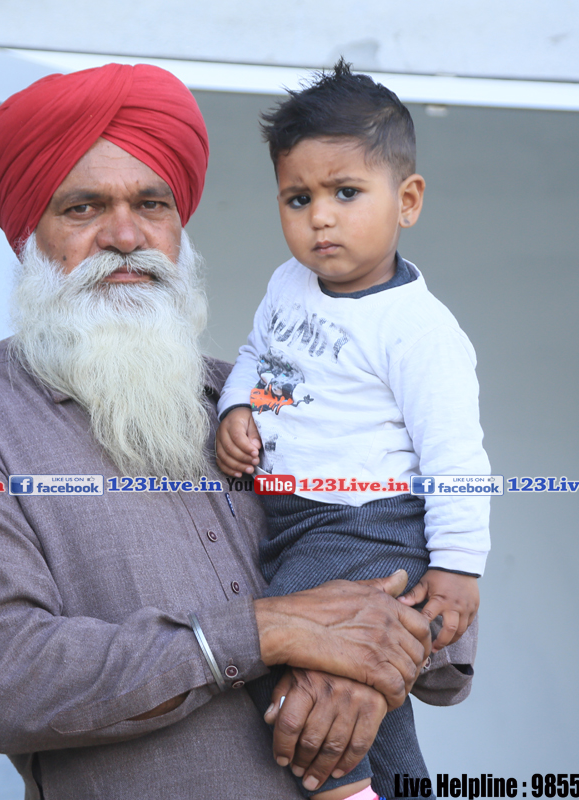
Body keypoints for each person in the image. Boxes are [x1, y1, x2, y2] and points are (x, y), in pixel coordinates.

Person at [0, 62, 471, 800]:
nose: (126, 235)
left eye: (152, 204)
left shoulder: (252, 398)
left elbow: (414, 557)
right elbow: (9, 682)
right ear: (28, 235)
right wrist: (267, 632)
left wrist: (361, 664)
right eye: (83, 208)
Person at [215, 60, 490, 800]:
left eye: (345, 192)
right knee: (370, 682)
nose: (320, 217)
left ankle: (346, 792)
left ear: (407, 201)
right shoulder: (287, 284)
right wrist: (237, 407)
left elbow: (456, 456)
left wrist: (459, 566)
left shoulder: (417, 329)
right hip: (294, 519)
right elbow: (257, 356)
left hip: (367, 523)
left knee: (277, 640)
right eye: (297, 197)